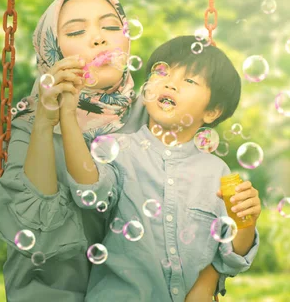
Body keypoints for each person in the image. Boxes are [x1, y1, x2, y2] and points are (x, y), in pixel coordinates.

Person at [0, 0, 226, 301]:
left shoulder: (157, 112)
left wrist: (208, 277)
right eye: (76, 32)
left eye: (110, 26)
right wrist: (47, 120)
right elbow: (36, 230)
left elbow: (206, 205)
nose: (98, 38)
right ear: (52, 49)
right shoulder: (29, 124)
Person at [60, 35, 261, 302]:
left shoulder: (217, 172)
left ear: (212, 111)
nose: (171, 83)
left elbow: (232, 254)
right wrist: (67, 115)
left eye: (189, 80)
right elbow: (89, 190)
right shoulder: (116, 148)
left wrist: (245, 222)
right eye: (162, 72)